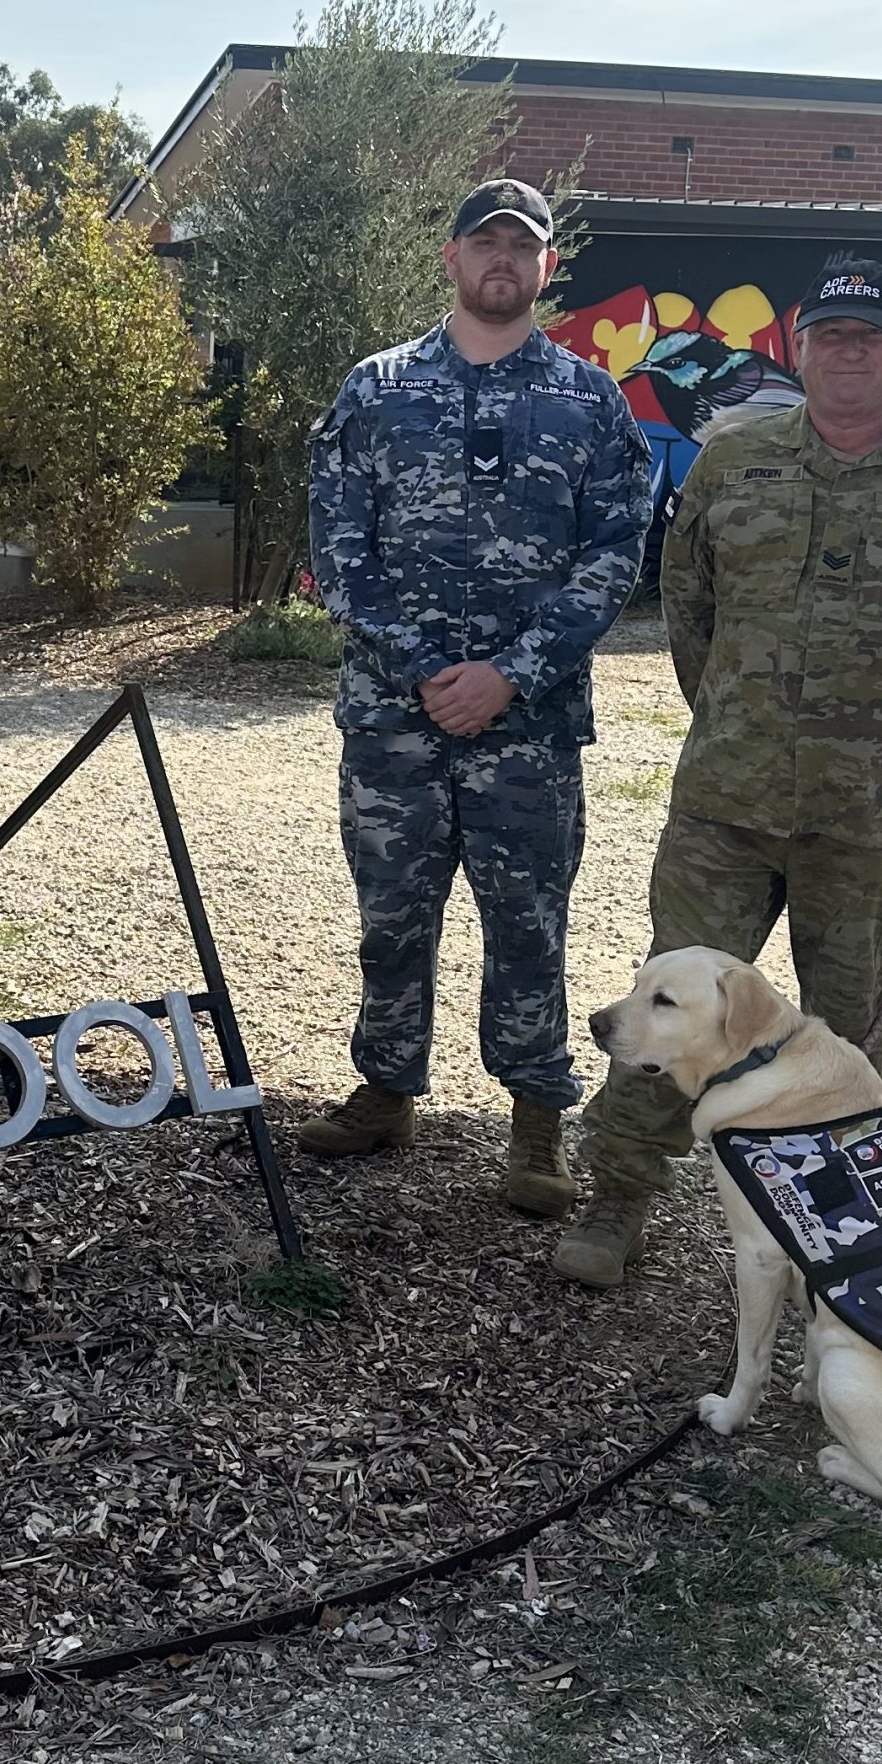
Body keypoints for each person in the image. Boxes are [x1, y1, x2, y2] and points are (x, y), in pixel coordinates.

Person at [555, 250, 882, 1288]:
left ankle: (831, 1237)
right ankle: (616, 1200)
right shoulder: (733, 465)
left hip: (872, 821)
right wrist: (739, 717)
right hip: (725, 805)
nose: (848, 354)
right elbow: (687, 611)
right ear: (799, 347)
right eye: (829, 336)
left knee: (844, 1030)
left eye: (870, 337)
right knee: (663, 1009)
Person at [300, 179, 653, 1209]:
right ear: (450, 258)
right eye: (483, 242)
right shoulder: (374, 389)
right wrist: (421, 669)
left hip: (527, 729)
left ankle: (535, 1125)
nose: (501, 259)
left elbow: (612, 558)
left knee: (528, 923)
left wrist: (510, 674)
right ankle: (383, 1088)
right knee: (391, 917)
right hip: (391, 722)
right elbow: (336, 547)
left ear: (545, 268)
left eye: (520, 246)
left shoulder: (589, 402)